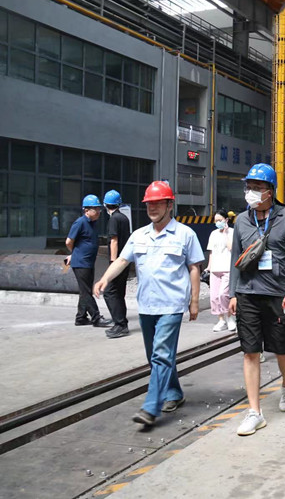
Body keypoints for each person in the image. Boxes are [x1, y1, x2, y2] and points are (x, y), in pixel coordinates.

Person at [93, 181, 204, 426]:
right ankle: (174, 393)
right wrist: (104, 278)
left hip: (172, 305)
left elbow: (194, 268)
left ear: (169, 205)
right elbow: (122, 261)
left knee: (161, 355)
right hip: (146, 305)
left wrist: (194, 301)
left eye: (157, 203)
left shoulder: (185, 234)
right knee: (155, 356)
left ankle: (151, 407)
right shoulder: (139, 235)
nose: (152, 208)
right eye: (149, 204)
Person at [228, 163, 285, 435]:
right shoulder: (241, 221)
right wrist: (233, 293)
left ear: (270, 191)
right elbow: (236, 258)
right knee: (250, 351)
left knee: (282, 349)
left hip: (277, 295)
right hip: (247, 293)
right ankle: (254, 412)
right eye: (249, 187)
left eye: (257, 187)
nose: (251, 192)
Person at [66, 195, 110, 328]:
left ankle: (81, 317)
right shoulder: (80, 223)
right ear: (86, 210)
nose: (98, 211)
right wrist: (75, 253)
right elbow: (69, 241)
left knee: (85, 290)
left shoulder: (93, 223)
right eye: (95, 209)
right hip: (81, 263)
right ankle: (96, 318)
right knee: (86, 291)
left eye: (99, 209)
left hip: (89, 262)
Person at [102, 190, 132, 339]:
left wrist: (113, 263)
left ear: (105, 204)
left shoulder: (114, 219)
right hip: (125, 261)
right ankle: (122, 323)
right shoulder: (124, 218)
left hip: (118, 261)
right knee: (119, 293)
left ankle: (120, 324)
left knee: (109, 292)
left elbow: (114, 240)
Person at [208, 209, 235, 332]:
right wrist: (209, 267)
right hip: (215, 269)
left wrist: (225, 233)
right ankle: (221, 320)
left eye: (220, 220)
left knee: (223, 294)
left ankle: (230, 317)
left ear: (226, 220)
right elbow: (211, 252)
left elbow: (231, 248)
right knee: (214, 297)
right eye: (216, 221)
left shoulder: (232, 232)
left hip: (227, 268)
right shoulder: (213, 234)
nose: (218, 223)